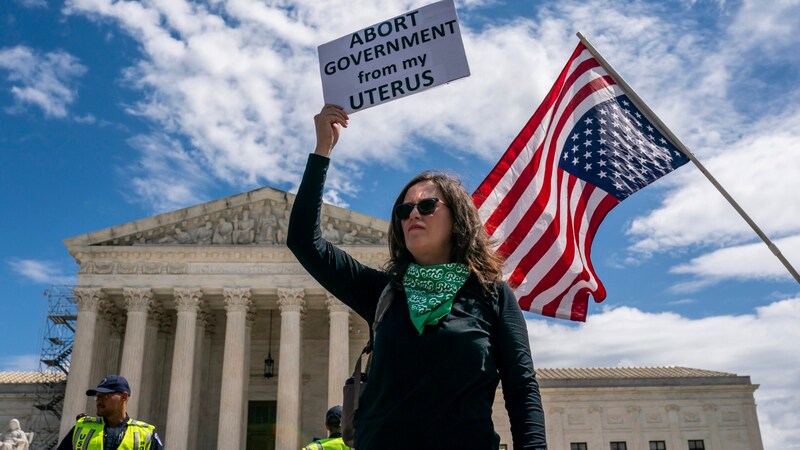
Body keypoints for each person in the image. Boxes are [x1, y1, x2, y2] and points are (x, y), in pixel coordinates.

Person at [287, 104, 547, 450]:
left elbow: (521, 388)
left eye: (426, 207)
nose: (413, 215)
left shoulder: (491, 296)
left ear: (457, 219)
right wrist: (323, 151)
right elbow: (305, 243)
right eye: (404, 210)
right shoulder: (384, 292)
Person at [56, 375, 163, 450]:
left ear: (124, 397)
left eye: (105, 395)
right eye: (97, 396)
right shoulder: (81, 428)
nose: (98, 400)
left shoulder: (146, 435)